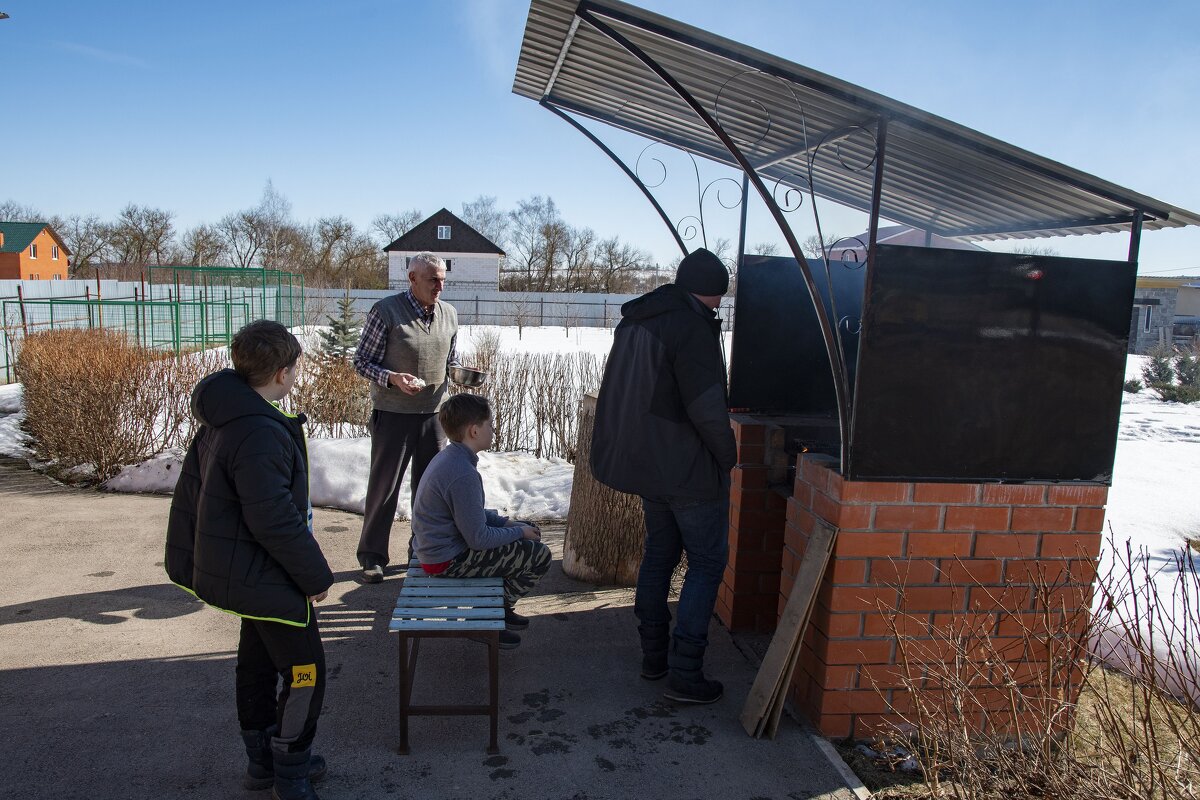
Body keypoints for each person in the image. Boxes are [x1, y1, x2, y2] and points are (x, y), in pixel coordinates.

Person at [165, 320, 333, 800]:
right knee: (306, 674)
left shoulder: (229, 413)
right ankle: (291, 770)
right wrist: (314, 575)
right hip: (265, 574)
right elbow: (273, 520)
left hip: (242, 570)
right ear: (282, 373)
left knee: (257, 664)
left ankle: (262, 761)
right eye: (296, 367)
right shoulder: (259, 432)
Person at [591, 247, 736, 705]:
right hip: (688, 469)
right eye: (718, 299)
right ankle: (686, 672)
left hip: (648, 465)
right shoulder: (692, 327)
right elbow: (707, 407)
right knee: (707, 562)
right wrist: (727, 455)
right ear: (710, 293)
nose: (718, 308)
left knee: (660, 555)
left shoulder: (639, 318)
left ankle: (653, 657)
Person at [411, 393, 552, 649]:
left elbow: (470, 514)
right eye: (490, 424)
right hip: (446, 560)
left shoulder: (452, 457)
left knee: (518, 541)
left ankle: (497, 610)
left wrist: (509, 524)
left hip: (438, 550)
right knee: (538, 555)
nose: (493, 429)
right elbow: (478, 539)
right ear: (474, 431)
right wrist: (520, 534)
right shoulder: (462, 473)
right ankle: (485, 619)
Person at [353, 251, 459, 583]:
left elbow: (451, 361)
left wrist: (462, 374)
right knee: (384, 488)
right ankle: (372, 556)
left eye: (443, 279)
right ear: (412, 279)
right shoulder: (385, 311)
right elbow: (361, 362)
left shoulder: (450, 314)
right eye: (433, 279)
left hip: (434, 416)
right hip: (393, 413)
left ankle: (423, 552)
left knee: (429, 490)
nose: (439, 286)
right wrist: (393, 378)